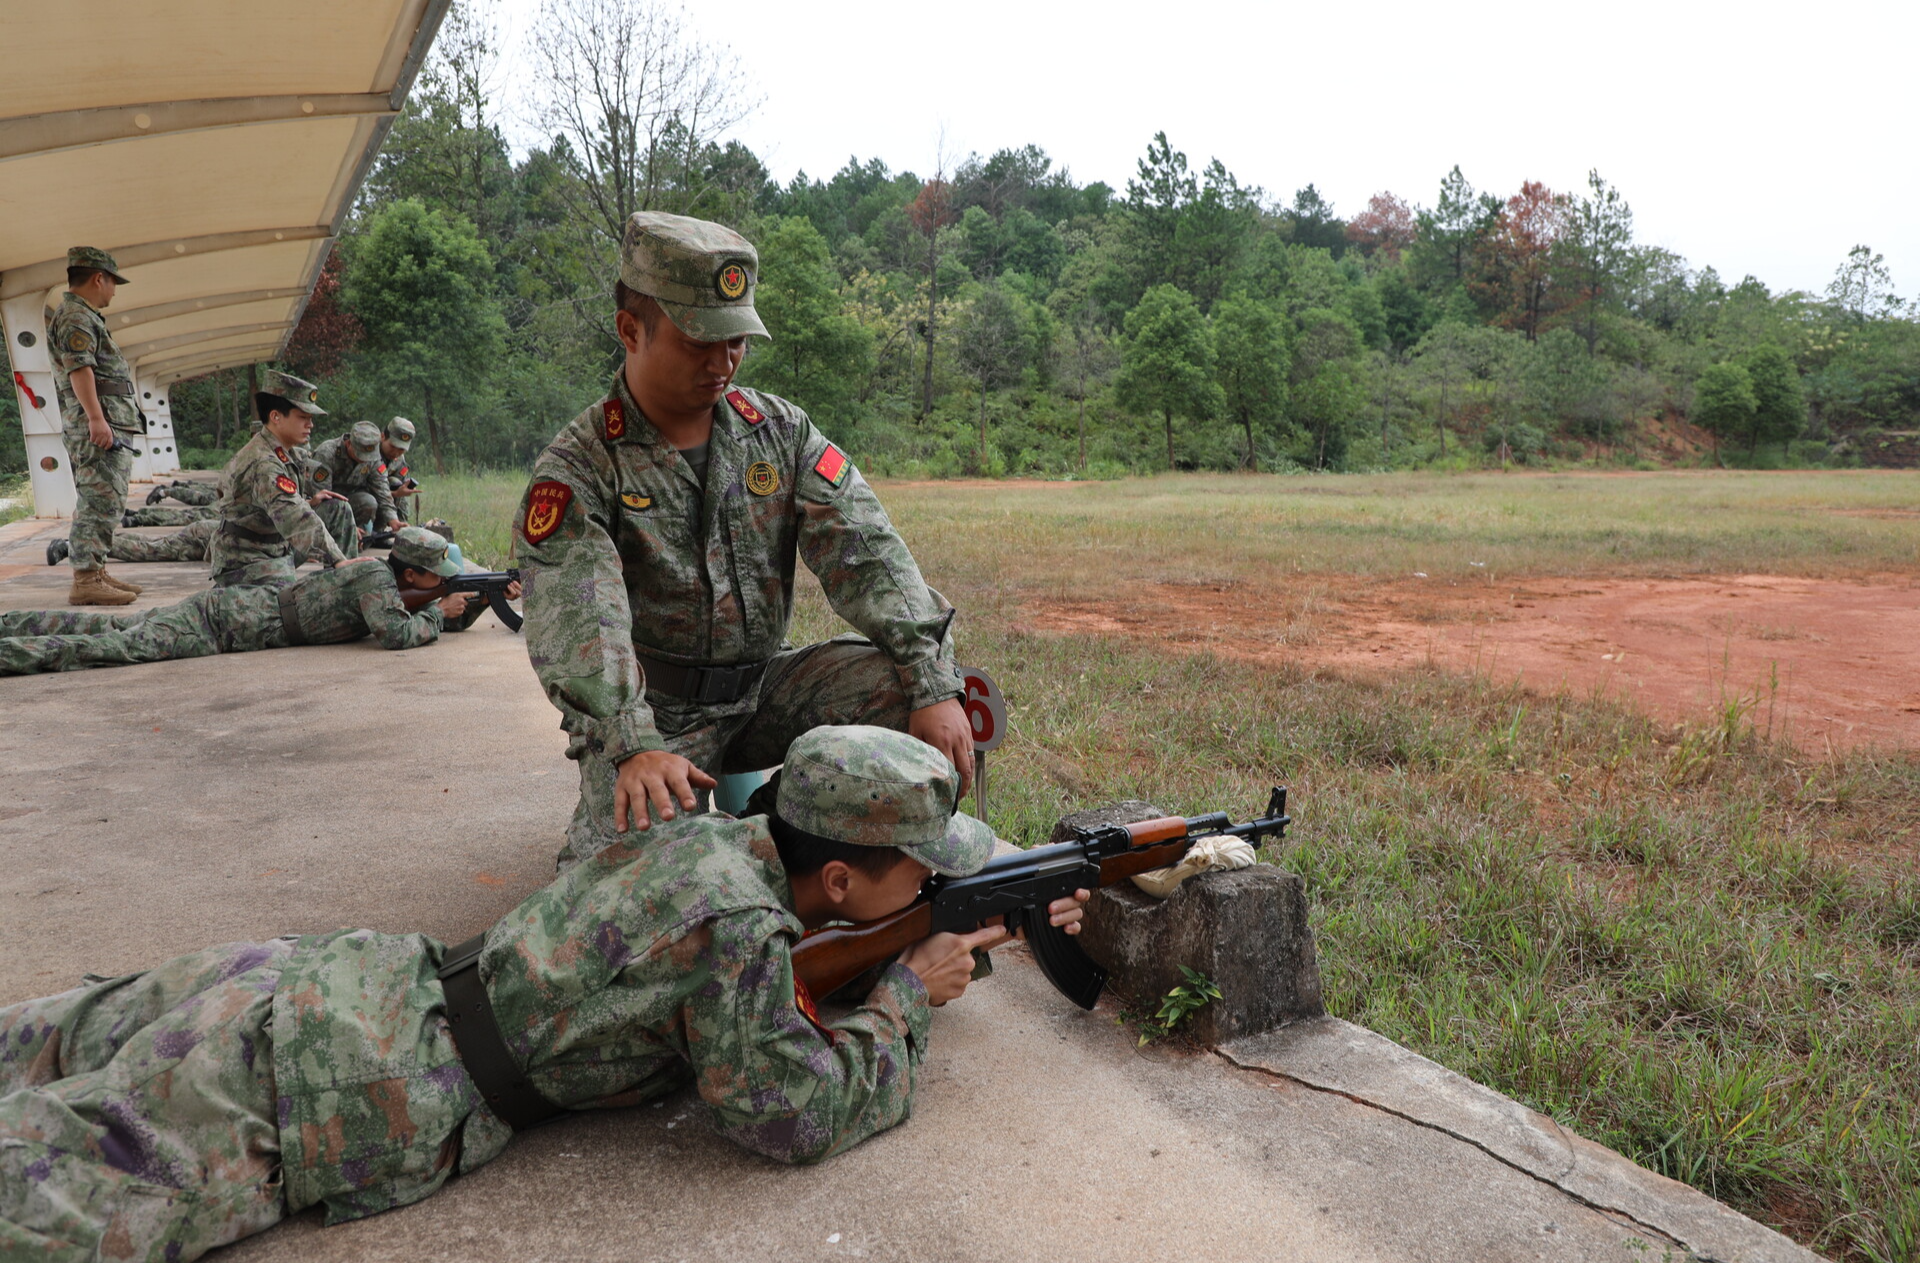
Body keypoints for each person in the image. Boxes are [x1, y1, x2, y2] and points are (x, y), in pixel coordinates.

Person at [0, 726, 1088, 1261]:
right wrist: (905, 998)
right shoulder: (743, 923)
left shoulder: (720, 842)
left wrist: (915, 940)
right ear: (840, 878)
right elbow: (785, 1113)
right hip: (341, 1084)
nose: (934, 884)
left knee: (35, 1041)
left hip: (322, 979)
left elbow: (740, 980)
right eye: (921, 870)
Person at [518, 212, 973, 871]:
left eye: (736, 340)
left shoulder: (779, 434)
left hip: (764, 689)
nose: (723, 361)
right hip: (656, 715)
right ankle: (740, 847)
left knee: (917, 698)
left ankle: (804, 839)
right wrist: (629, 743)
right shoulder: (582, 467)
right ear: (630, 330)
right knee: (632, 904)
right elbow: (582, 625)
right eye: (700, 340)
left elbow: (868, 553)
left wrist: (932, 682)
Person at [0, 526, 499, 674]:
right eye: (438, 578)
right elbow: (398, 633)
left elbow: (426, 609)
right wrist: (437, 613)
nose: (440, 584)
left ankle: (12, 621)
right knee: (115, 648)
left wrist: (477, 599)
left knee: (108, 631)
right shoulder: (374, 579)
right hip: (224, 625)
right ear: (411, 573)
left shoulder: (384, 581)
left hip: (232, 613)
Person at [44, 246, 143, 606]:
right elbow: (80, 369)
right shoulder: (74, 317)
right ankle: (85, 578)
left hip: (109, 420)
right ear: (98, 278)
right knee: (98, 499)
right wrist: (96, 418)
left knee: (108, 498)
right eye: (113, 282)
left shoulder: (84, 315)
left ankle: (95, 570)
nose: (114, 290)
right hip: (98, 423)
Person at [209, 371, 364, 588]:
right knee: (289, 611)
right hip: (247, 558)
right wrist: (338, 558)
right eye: (303, 418)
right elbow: (296, 518)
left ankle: (345, 586)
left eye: (310, 419)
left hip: (276, 545)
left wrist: (310, 502)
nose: (310, 425)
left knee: (336, 508)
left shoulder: (286, 452)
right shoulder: (264, 463)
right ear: (276, 417)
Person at [311, 420, 401, 533]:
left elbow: (382, 490)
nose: (365, 460)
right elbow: (319, 496)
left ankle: (358, 536)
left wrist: (393, 520)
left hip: (351, 503)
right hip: (326, 507)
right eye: (361, 455)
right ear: (349, 443)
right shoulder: (326, 453)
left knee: (368, 501)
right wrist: (347, 527)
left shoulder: (374, 459)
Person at [381, 416, 418, 520]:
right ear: (383, 437)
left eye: (401, 449)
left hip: (388, 504)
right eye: (392, 446)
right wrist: (394, 493)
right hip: (367, 500)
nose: (396, 453)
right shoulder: (368, 454)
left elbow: (401, 488)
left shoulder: (400, 460)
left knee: (397, 483)